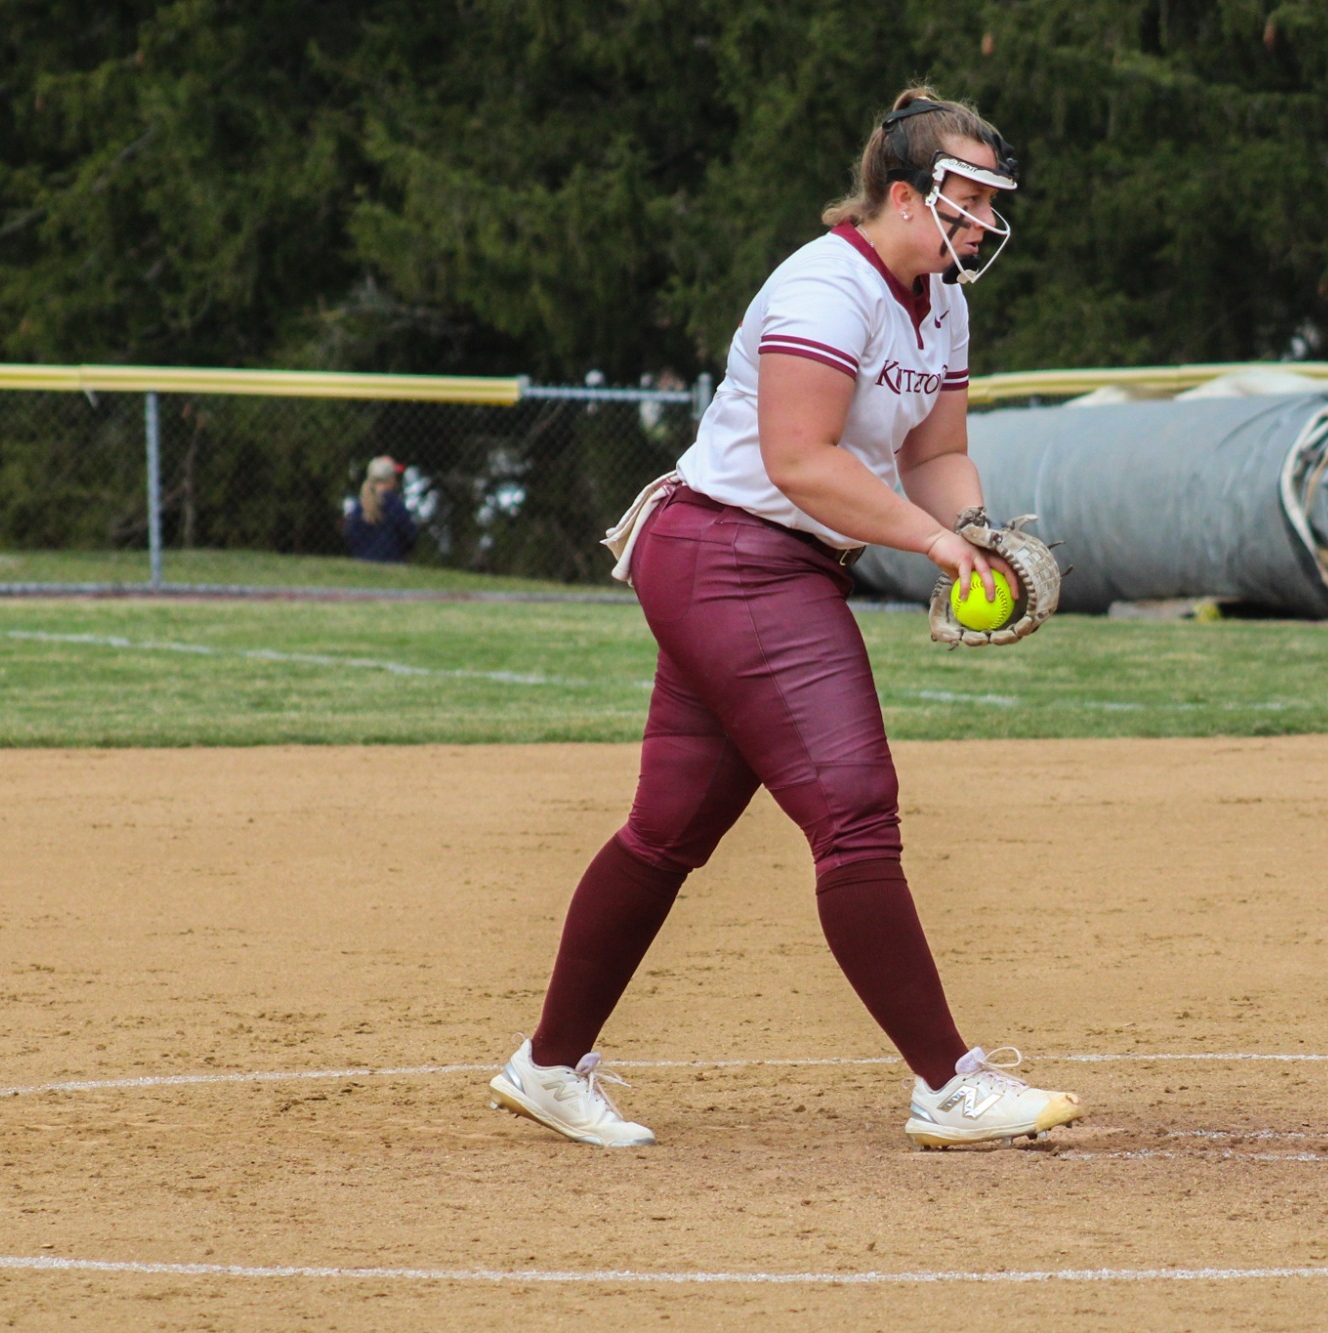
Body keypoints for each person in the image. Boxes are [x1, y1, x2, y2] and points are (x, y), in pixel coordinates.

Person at [487, 87, 1085, 1148]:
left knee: (667, 829)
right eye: (967, 195)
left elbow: (934, 455)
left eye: (993, 200)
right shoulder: (825, 283)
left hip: (756, 560)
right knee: (853, 806)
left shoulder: (939, 299)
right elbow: (796, 458)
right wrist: (932, 545)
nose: (984, 220)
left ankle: (545, 1063)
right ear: (900, 193)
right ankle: (948, 1084)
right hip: (733, 556)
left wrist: (976, 529)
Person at [343, 455, 417, 562]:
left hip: (361, 562)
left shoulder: (359, 506)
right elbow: (410, 536)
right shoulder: (396, 506)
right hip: (393, 563)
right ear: (391, 479)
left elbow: (350, 536)